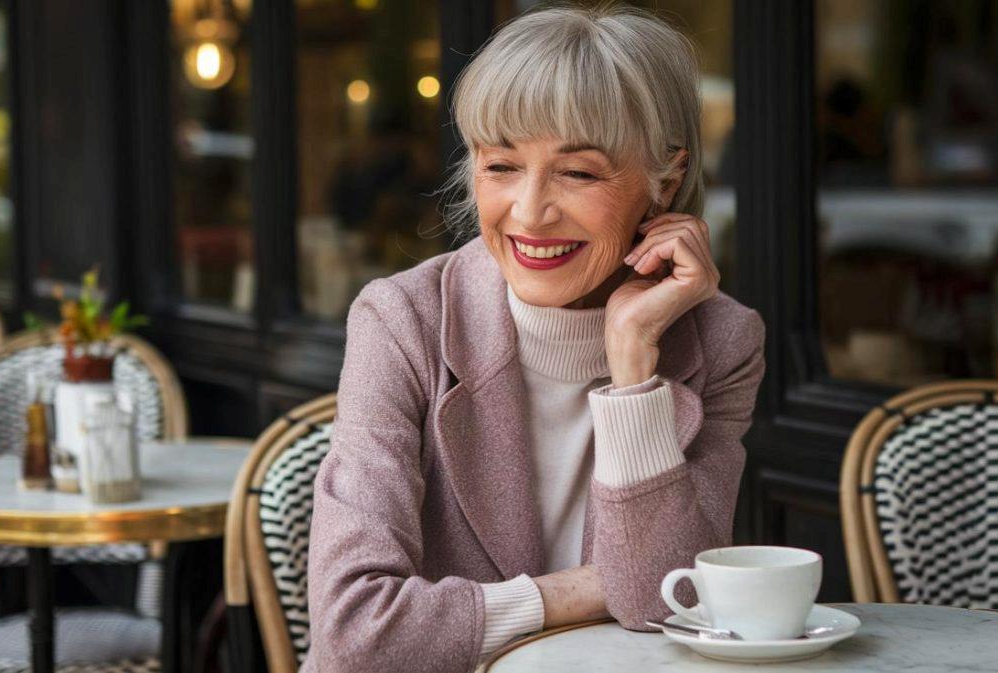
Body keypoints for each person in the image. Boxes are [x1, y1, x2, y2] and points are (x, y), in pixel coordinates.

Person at [302, 5, 765, 672]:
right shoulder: (402, 320)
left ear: (665, 176)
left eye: (577, 172)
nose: (529, 212)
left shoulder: (722, 340)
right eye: (501, 166)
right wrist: (575, 591)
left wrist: (631, 361)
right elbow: (356, 634)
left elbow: (669, 602)